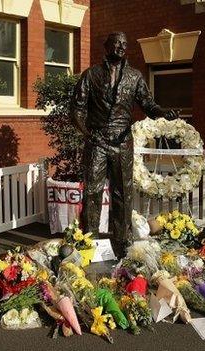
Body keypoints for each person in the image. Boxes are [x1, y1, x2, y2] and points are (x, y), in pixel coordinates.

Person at [70, 32, 178, 256]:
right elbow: (77, 109)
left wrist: (163, 112)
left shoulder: (135, 76)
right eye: (116, 43)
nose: (120, 47)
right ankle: (89, 243)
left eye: (124, 44)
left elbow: (148, 104)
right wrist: (87, 133)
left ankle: (122, 243)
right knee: (92, 192)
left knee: (123, 193)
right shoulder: (91, 75)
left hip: (122, 141)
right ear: (106, 46)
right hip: (97, 140)